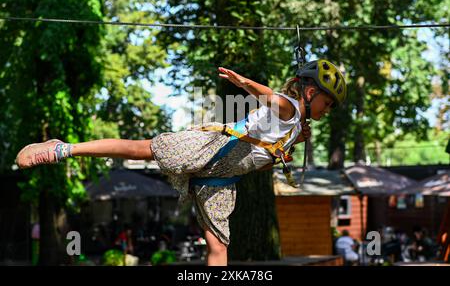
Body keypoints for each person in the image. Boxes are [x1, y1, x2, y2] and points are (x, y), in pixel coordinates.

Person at [15, 59, 347, 266]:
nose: (326, 112)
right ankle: (64, 148)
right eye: (327, 103)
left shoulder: (292, 129)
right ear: (309, 92)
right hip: (212, 148)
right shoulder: (288, 106)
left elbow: (257, 165)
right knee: (141, 149)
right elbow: (270, 97)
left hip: (223, 177)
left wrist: (286, 150)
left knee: (219, 245)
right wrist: (243, 83)